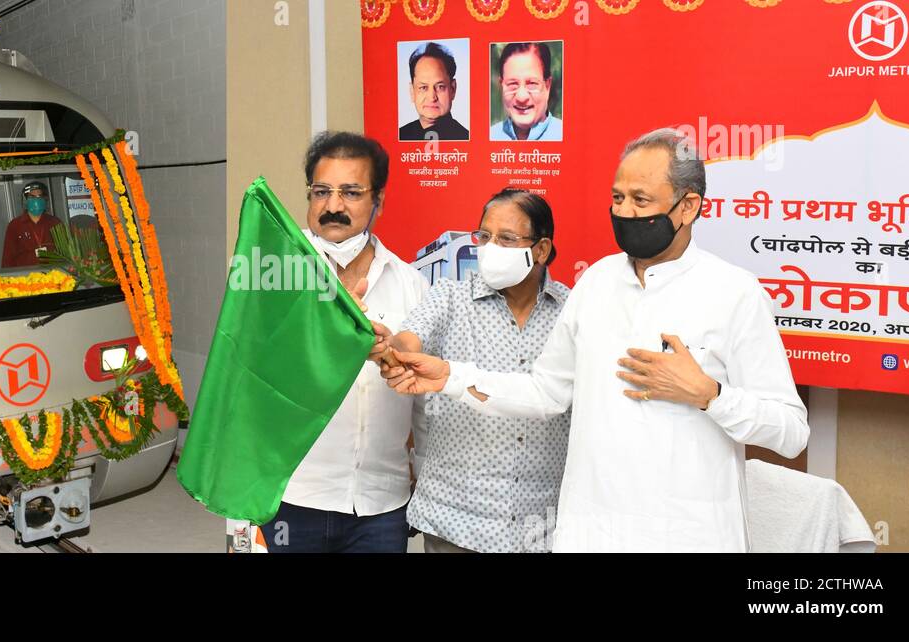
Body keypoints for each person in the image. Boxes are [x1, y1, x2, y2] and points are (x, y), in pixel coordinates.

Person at [382, 128, 810, 552]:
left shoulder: (735, 292)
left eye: (640, 200)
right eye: (618, 197)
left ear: (688, 206)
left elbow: (791, 432)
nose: (624, 211)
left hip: (689, 536)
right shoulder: (597, 283)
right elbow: (545, 392)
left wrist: (709, 395)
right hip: (591, 535)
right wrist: (450, 376)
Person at [368, 188, 570, 553]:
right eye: (484, 236)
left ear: (540, 249)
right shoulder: (449, 297)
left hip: (542, 529)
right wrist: (388, 347)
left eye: (506, 239)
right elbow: (409, 341)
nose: (490, 248)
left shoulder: (571, 311)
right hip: (456, 525)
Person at [261, 131, 428, 553]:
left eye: (351, 192)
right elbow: (250, 377)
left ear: (379, 201)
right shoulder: (273, 275)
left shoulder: (412, 285)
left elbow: (427, 402)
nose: (333, 206)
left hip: (382, 504)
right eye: (321, 192)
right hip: (292, 494)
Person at [490, 42, 563, 142]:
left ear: (547, 86)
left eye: (532, 83)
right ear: (501, 85)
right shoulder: (490, 136)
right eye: (512, 84)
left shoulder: (566, 135)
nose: (522, 97)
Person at [399, 42, 470, 142]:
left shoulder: (464, 138)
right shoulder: (401, 135)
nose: (432, 97)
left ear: (453, 89)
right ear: (412, 92)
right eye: (423, 87)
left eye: (440, 87)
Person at [1, 181, 65, 268]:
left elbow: (66, 254)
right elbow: (7, 259)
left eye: (39, 196)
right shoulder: (15, 225)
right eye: (32, 197)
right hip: (24, 276)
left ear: (45, 200)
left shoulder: (55, 223)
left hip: (52, 275)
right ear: (25, 201)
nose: (36, 200)